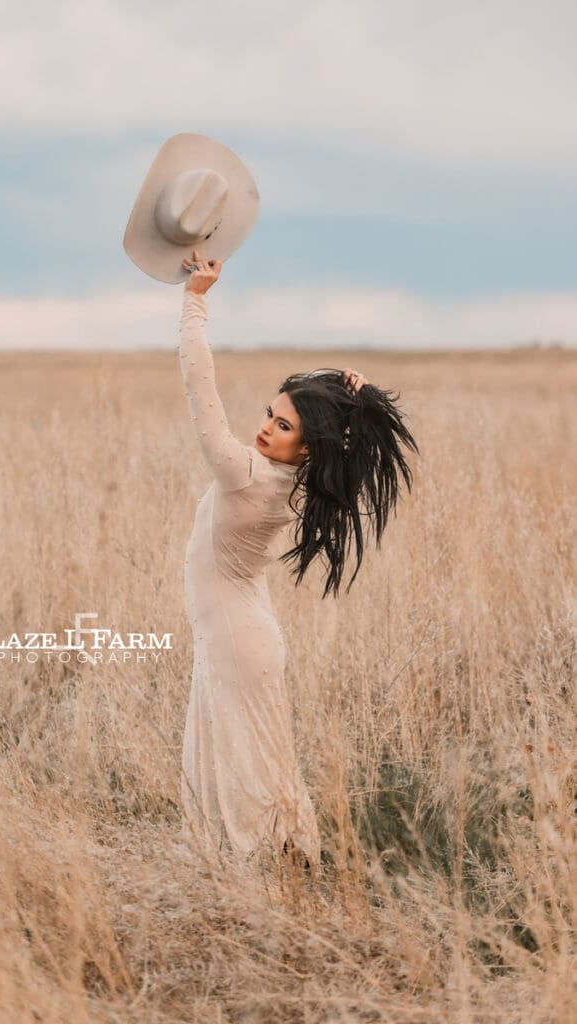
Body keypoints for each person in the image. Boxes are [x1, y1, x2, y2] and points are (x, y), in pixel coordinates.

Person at [178, 248, 418, 872]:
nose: (264, 428)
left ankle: (269, 881)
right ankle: (274, 874)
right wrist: (348, 392)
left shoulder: (247, 476)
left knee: (246, 776)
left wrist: (195, 303)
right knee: (249, 767)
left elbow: (200, 393)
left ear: (307, 445)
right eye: (269, 414)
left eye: (282, 426)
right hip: (239, 633)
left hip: (237, 638)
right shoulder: (282, 478)